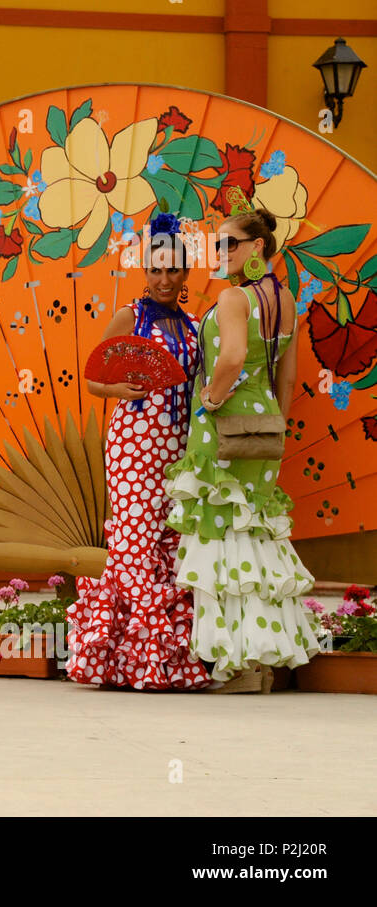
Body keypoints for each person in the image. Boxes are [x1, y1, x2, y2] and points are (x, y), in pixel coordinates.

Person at [164, 205, 318, 693]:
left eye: (229, 244)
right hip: (265, 422)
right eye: (217, 245)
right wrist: (273, 425)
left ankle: (237, 664)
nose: (221, 253)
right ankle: (263, 660)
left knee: (220, 539)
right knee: (252, 538)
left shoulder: (234, 298)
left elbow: (230, 357)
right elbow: (287, 378)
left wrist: (209, 399)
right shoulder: (286, 300)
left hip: (223, 425)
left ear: (257, 248)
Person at [66, 213, 211, 690]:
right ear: (145, 271)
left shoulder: (193, 327)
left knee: (168, 544)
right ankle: (130, 660)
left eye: (174, 270)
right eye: (157, 269)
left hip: (178, 446)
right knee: (132, 540)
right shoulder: (130, 316)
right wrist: (118, 391)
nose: (165, 279)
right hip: (132, 443)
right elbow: (91, 378)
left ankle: (161, 660)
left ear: (186, 273)